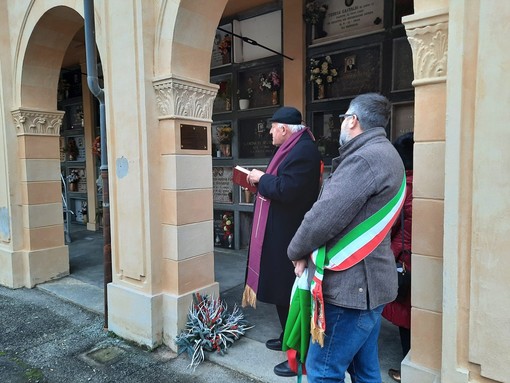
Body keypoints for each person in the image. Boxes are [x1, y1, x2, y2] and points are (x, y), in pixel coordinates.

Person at [287, 93, 406, 382]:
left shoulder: (364, 159)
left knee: (323, 371)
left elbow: (323, 216)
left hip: (351, 289)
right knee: (365, 372)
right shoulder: (386, 153)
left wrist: (295, 251)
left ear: (353, 120)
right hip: (370, 286)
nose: (341, 124)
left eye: (343, 118)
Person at [242, 106, 322, 378]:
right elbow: (279, 183)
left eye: (273, 127)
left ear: (285, 129)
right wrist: (258, 181)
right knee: (281, 291)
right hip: (280, 232)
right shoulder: (293, 147)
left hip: (291, 234)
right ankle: (285, 334)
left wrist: (261, 178)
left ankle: (298, 356)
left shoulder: (304, 152)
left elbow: (287, 189)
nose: (270, 132)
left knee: (292, 294)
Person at [382, 131, 414, 383]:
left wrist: (386, 255)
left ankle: (409, 370)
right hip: (422, 259)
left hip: (405, 259)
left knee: (407, 318)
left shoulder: (406, 187)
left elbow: (398, 229)